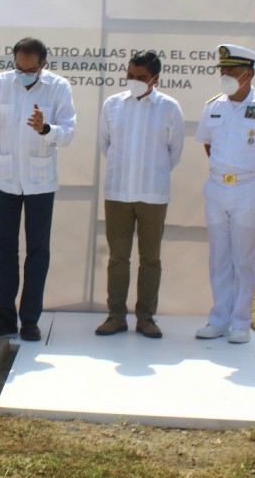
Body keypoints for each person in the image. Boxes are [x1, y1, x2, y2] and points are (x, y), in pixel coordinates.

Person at [0, 37, 76, 341]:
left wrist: (46, 129)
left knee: (38, 251)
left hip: (40, 182)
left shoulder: (58, 87)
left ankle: (30, 319)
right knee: (4, 248)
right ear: (13, 62)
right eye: (19, 67)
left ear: (43, 65)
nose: (23, 73)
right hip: (4, 180)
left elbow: (69, 132)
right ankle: (4, 314)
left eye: (30, 69)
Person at [194, 44, 255, 344]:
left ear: (248, 74)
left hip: (250, 187)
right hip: (218, 186)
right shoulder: (213, 106)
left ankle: (241, 322)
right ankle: (219, 318)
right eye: (222, 72)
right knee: (219, 257)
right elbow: (209, 144)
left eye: (231, 72)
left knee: (244, 259)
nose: (225, 77)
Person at [95, 50, 185, 339]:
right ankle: (116, 317)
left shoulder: (170, 108)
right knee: (118, 259)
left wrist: (150, 174)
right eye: (130, 75)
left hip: (153, 195)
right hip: (118, 192)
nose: (133, 81)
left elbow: (174, 152)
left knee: (150, 259)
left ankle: (146, 317)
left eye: (141, 77)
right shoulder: (112, 105)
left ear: (155, 78)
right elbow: (105, 144)